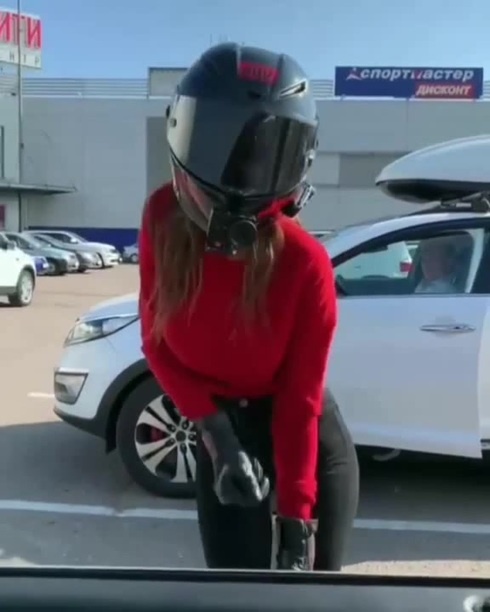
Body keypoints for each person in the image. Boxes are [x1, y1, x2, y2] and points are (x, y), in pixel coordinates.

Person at [139, 42, 359, 572]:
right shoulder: (162, 217)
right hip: (220, 429)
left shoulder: (305, 263)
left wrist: (296, 523)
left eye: (257, 160)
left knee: (313, 596)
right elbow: (156, 343)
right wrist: (218, 438)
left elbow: (300, 402)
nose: (232, 186)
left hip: (304, 441)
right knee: (234, 591)